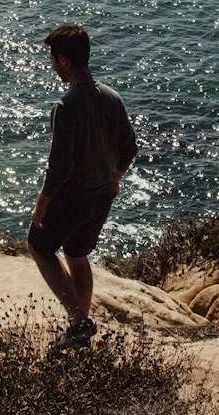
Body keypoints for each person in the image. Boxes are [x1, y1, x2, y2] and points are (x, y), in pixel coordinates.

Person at [28, 25, 137, 352]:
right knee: (77, 254)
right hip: (103, 195)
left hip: (74, 196)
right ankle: (79, 333)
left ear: (63, 59)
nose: (51, 65)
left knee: (39, 246)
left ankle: (78, 322)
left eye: (52, 59)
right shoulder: (111, 97)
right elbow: (129, 147)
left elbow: (60, 167)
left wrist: (43, 201)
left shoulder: (66, 106)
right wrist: (116, 176)